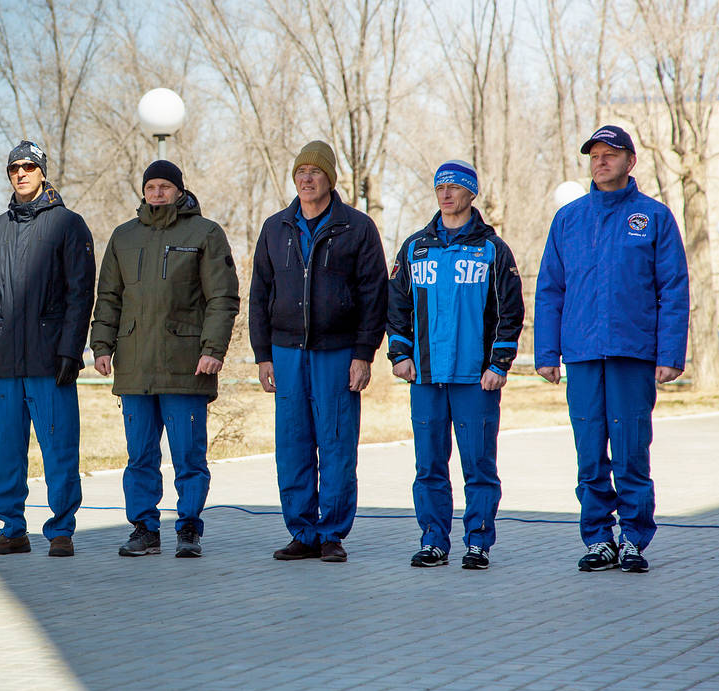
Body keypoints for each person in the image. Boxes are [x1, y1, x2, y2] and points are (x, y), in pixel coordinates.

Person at [535, 125, 689, 573]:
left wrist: (669, 353)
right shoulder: (569, 219)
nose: (601, 161)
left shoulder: (653, 217)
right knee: (589, 450)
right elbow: (550, 290)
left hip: (632, 351)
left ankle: (634, 538)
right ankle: (599, 538)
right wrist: (547, 353)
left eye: (611, 154)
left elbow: (673, 290)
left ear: (630, 162)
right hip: (582, 353)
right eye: (595, 155)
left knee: (630, 446)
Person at [91, 160, 239, 558]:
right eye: (151, 187)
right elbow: (108, 297)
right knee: (140, 456)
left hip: (186, 364)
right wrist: (101, 345)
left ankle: (189, 527)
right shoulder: (124, 237)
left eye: (164, 187)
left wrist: (212, 350)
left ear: (178, 190)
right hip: (135, 365)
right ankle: (144, 529)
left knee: (189, 455)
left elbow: (222, 299)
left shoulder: (204, 233)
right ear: (143, 191)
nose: (157, 193)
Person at [249, 140, 388, 563]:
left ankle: (332, 533)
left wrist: (364, 352)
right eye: (301, 172)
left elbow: (374, 295)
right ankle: (303, 532)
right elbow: (259, 294)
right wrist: (262, 354)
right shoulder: (276, 227)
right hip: (286, 351)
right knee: (292, 444)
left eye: (315, 172)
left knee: (336, 443)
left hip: (338, 352)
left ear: (330, 178)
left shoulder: (357, 227)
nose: (307, 179)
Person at [387, 160, 524, 570]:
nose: (446, 194)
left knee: (478, 465)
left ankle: (478, 542)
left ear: (471, 194)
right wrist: (400, 354)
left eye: (454, 187)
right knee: (428, 465)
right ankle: (433, 541)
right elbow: (396, 305)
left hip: (474, 379)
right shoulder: (415, 247)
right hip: (425, 377)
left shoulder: (492, 250)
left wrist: (499, 363)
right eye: (440, 187)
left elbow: (510, 311)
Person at [0, 141, 96, 558]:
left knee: (59, 448)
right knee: (4, 452)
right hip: (7, 362)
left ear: (43, 171)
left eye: (29, 166)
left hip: (49, 360)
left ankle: (61, 529)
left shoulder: (68, 225)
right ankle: (12, 529)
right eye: (14, 168)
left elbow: (81, 294)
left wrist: (70, 350)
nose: (21, 173)